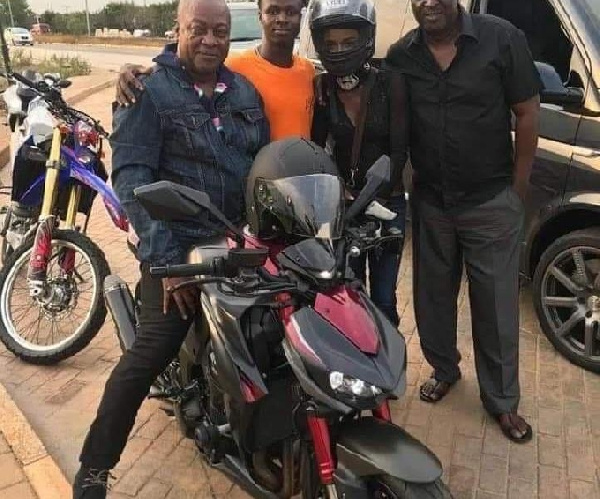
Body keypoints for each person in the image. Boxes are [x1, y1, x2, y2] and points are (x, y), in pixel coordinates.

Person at [73, 0, 269, 496]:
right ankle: (96, 465)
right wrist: (169, 264)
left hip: (236, 241)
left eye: (219, 31)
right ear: (176, 30)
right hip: (176, 246)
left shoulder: (243, 90)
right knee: (149, 352)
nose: (209, 40)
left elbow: (261, 165)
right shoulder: (147, 91)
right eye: (197, 30)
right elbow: (134, 180)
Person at [385, 0, 540, 442]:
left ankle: (503, 402)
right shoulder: (401, 55)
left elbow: (527, 112)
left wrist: (518, 193)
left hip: (491, 202)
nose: (429, 2)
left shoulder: (500, 38)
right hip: (432, 204)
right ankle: (444, 369)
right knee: (432, 297)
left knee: (495, 307)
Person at [309, 0, 408, 326]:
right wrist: (340, 194)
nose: (339, 50)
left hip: (386, 204)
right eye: (331, 43)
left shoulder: (390, 84)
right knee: (349, 292)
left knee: (382, 298)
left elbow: (399, 151)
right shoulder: (324, 88)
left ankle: (391, 369)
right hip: (345, 206)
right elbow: (317, 149)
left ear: (366, 39)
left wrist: (373, 197)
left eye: (349, 42)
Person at [117, 0, 314, 141]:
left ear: (302, 16)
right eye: (272, 11)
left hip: (297, 185)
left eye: (290, 11)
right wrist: (133, 74)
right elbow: (180, 71)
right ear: (260, 16)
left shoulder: (309, 72)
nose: (281, 19)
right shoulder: (234, 67)